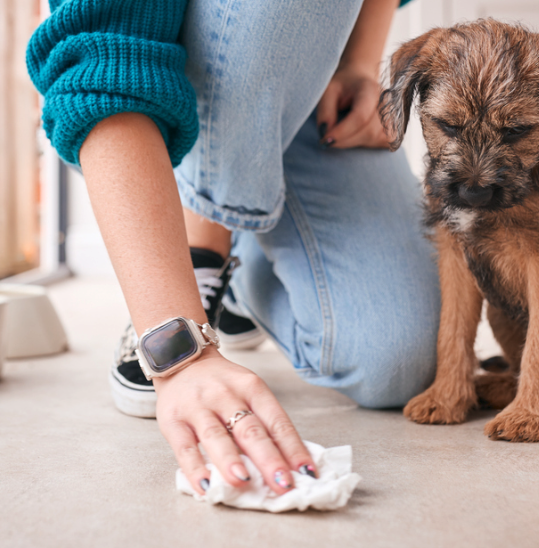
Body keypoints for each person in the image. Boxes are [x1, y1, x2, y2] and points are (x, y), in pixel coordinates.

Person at [27, 0, 439, 496]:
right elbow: (105, 66)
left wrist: (359, 63)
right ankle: (202, 248)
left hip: (314, 96)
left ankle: (242, 260)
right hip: (165, 98)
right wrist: (180, 353)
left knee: (395, 365)